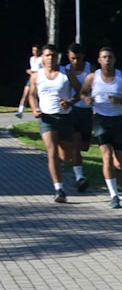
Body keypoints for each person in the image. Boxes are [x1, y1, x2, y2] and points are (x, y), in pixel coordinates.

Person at [80, 47, 122, 209]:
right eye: (104, 57)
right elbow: (83, 92)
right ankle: (114, 195)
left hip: (119, 121)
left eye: (110, 57)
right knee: (106, 156)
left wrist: (121, 100)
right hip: (100, 120)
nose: (107, 60)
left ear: (114, 60)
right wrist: (87, 99)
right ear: (99, 60)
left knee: (119, 163)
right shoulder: (92, 77)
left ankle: (111, 176)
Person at [28, 44, 77, 203]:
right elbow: (32, 95)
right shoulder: (36, 75)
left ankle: (60, 165)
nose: (50, 58)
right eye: (47, 55)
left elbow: (80, 91)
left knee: (66, 155)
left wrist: (69, 101)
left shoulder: (66, 73)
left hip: (65, 118)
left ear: (58, 57)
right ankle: (59, 189)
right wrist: (35, 109)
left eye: (53, 56)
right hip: (46, 118)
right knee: (52, 152)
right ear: (42, 57)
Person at [61, 43, 94, 192]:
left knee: (84, 146)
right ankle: (80, 177)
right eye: (73, 58)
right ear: (68, 57)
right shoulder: (67, 71)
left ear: (83, 57)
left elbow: (85, 91)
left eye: (79, 58)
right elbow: (75, 91)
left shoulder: (91, 69)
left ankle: (69, 158)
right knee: (76, 144)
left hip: (88, 112)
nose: (76, 62)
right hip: (73, 112)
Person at [16, 44, 40, 119]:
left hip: (38, 78)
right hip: (31, 78)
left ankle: (38, 110)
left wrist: (35, 72)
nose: (35, 52)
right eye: (33, 50)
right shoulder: (31, 58)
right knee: (25, 94)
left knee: (36, 95)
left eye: (36, 50)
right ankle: (20, 111)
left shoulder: (42, 59)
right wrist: (29, 71)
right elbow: (32, 68)